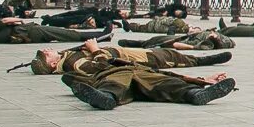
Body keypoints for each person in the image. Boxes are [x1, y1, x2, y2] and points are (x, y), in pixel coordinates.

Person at [57, 60, 236, 110]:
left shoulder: (139, 66)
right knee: (114, 86)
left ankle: (196, 94)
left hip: (146, 76)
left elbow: (169, 73)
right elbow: (69, 77)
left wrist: (201, 81)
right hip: (115, 77)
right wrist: (81, 83)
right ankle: (105, 99)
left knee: (170, 83)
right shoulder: (100, 71)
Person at [29, 40, 231, 74]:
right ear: (53, 64)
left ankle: (201, 58)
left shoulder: (66, 57)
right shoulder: (73, 63)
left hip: (125, 53)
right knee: (168, 56)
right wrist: (94, 48)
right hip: (129, 59)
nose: (46, 50)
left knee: (164, 52)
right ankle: (201, 60)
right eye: (45, 55)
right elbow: (98, 67)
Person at [0, 18, 108, 44]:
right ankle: (101, 35)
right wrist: (19, 20)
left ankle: (102, 36)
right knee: (66, 34)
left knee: (63, 34)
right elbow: (6, 20)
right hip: (29, 32)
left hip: (25, 35)